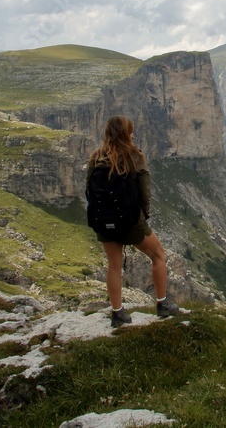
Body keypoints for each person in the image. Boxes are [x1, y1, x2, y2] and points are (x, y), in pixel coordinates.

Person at [87, 115, 180, 327]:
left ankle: (118, 313)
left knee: (114, 266)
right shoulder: (134, 156)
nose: (133, 134)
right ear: (124, 134)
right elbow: (144, 190)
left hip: (104, 221)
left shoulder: (95, 157)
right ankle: (162, 303)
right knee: (158, 255)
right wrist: (143, 216)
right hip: (130, 221)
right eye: (130, 131)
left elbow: (89, 191)